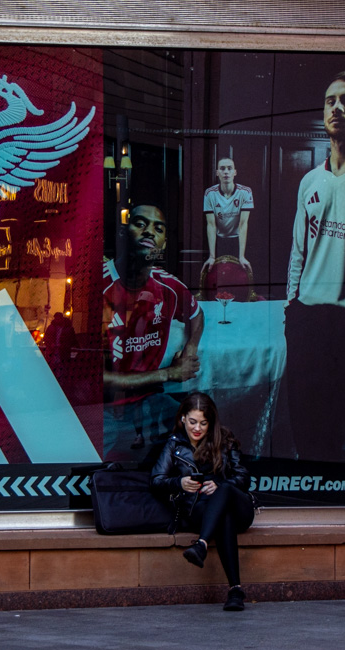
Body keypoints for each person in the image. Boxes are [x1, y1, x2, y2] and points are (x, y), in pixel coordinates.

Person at [285, 71, 345, 462]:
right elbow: (298, 250)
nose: (337, 107)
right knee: (312, 430)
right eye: (331, 100)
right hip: (309, 319)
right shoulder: (310, 181)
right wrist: (291, 308)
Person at [102, 204, 205, 455]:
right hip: (106, 410)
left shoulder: (167, 286)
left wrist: (190, 348)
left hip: (151, 403)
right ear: (124, 234)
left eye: (158, 229)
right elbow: (97, 378)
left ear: (163, 244)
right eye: (140, 224)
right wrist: (169, 374)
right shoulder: (99, 287)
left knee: (205, 442)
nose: (150, 232)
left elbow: (197, 315)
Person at [151, 392, 255, 611]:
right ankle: (235, 590)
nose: (197, 428)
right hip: (200, 510)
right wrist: (179, 483)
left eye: (203, 423)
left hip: (239, 509)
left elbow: (244, 477)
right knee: (222, 516)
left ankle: (202, 544)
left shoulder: (224, 440)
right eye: (192, 422)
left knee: (225, 489)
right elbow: (156, 481)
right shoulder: (174, 445)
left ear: (211, 423)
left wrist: (219, 485)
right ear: (182, 419)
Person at [202, 158, 254, 271]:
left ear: (235, 172)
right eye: (222, 168)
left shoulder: (245, 192)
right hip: (219, 240)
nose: (226, 172)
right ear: (217, 173)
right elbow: (211, 225)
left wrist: (241, 256)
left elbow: (243, 224)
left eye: (229, 168)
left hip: (238, 240)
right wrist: (212, 256)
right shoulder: (209, 194)